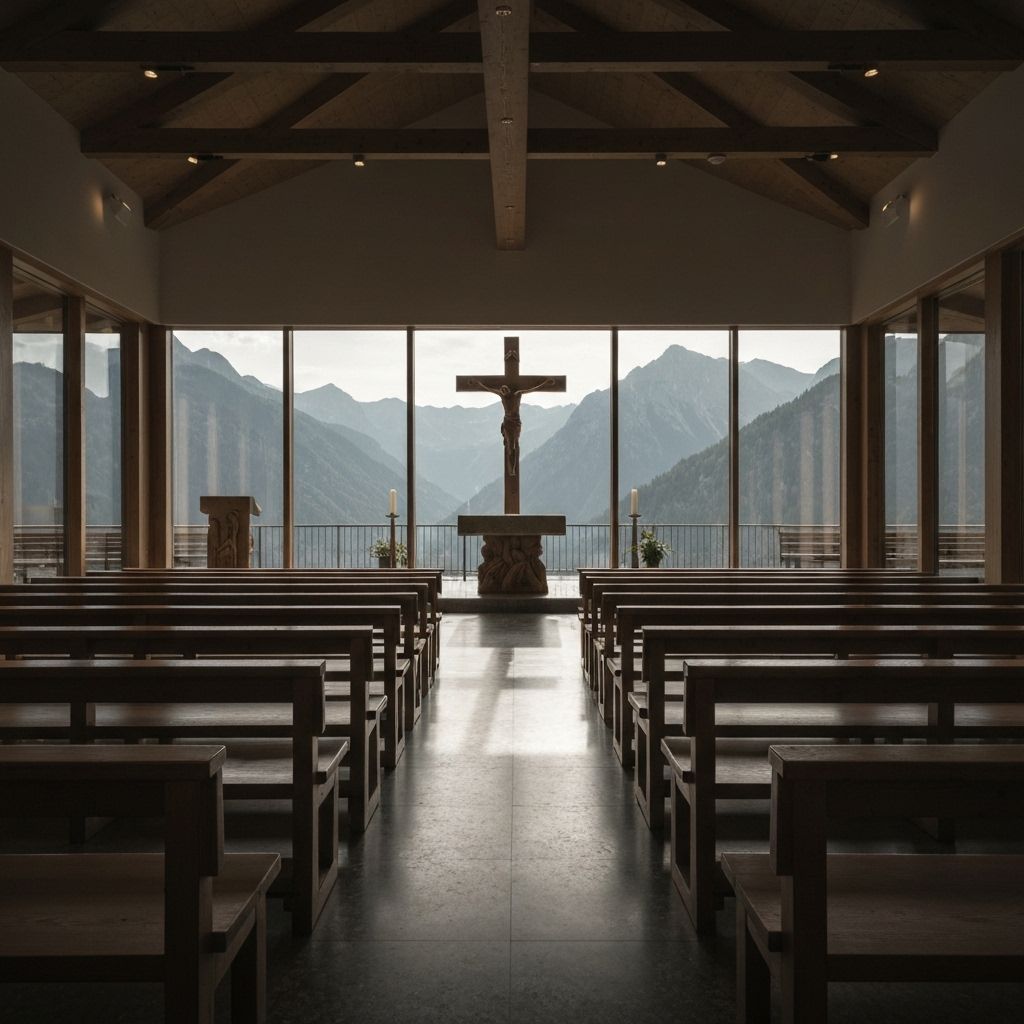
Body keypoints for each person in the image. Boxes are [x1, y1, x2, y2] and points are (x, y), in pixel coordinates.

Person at [469, 377, 555, 478]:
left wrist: (545, 383)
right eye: (501, 390)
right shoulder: (502, 396)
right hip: (507, 423)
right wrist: (479, 384)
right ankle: (512, 469)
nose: (503, 391)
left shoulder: (517, 394)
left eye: (504, 389)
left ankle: (513, 467)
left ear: (509, 389)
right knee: (511, 446)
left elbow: (531, 389)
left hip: (516, 424)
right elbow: (489, 389)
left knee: (514, 445)